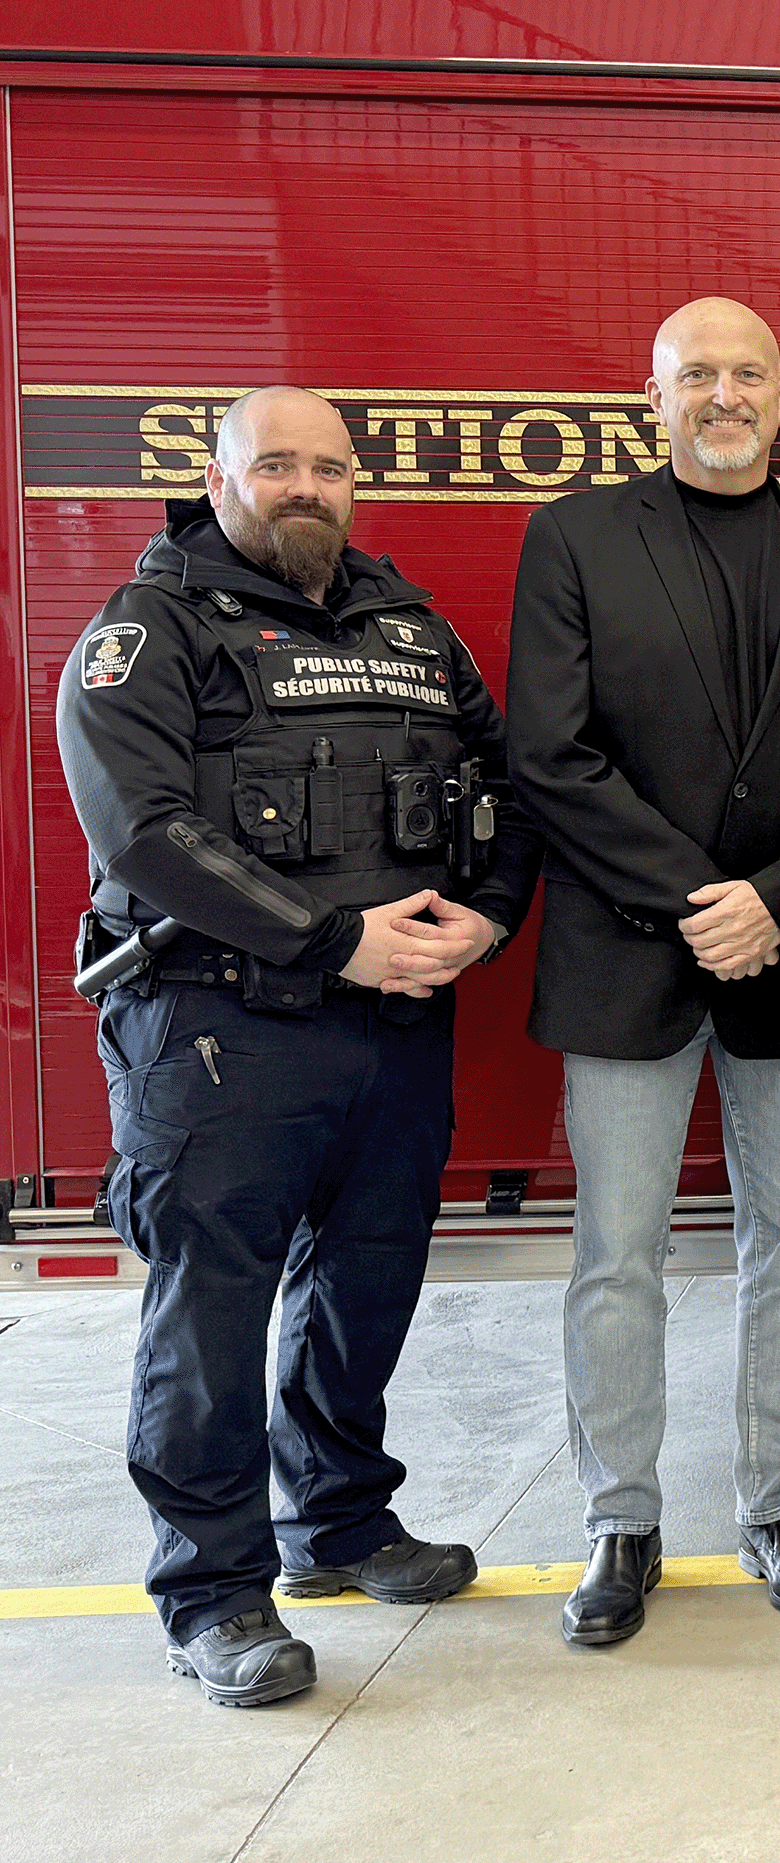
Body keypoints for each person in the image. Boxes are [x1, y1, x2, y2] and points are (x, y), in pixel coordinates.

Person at [58, 386, 539, 1708]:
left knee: (364, 1284)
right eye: (276, 463)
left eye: (328, 465)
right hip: (216, 1027)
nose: (306, 486)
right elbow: (145, 831)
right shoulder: (148, 629)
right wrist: (336, 939)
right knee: (209, 1316)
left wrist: (486, 923)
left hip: (396, 1018)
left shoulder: (409, 622)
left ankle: (340, 1522)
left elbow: (500, 789)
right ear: (217, 477)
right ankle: (213, 1594)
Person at [507, 298, 780, 1649]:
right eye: (697, 375)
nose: (725, 395)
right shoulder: (574, 538)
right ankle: (621, 1518)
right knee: (618, 1255)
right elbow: (548, 755)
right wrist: (697, 902)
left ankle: (779, 1504)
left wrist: (774, 899)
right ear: (652, 396)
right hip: (629, 956)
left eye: (747, 374)